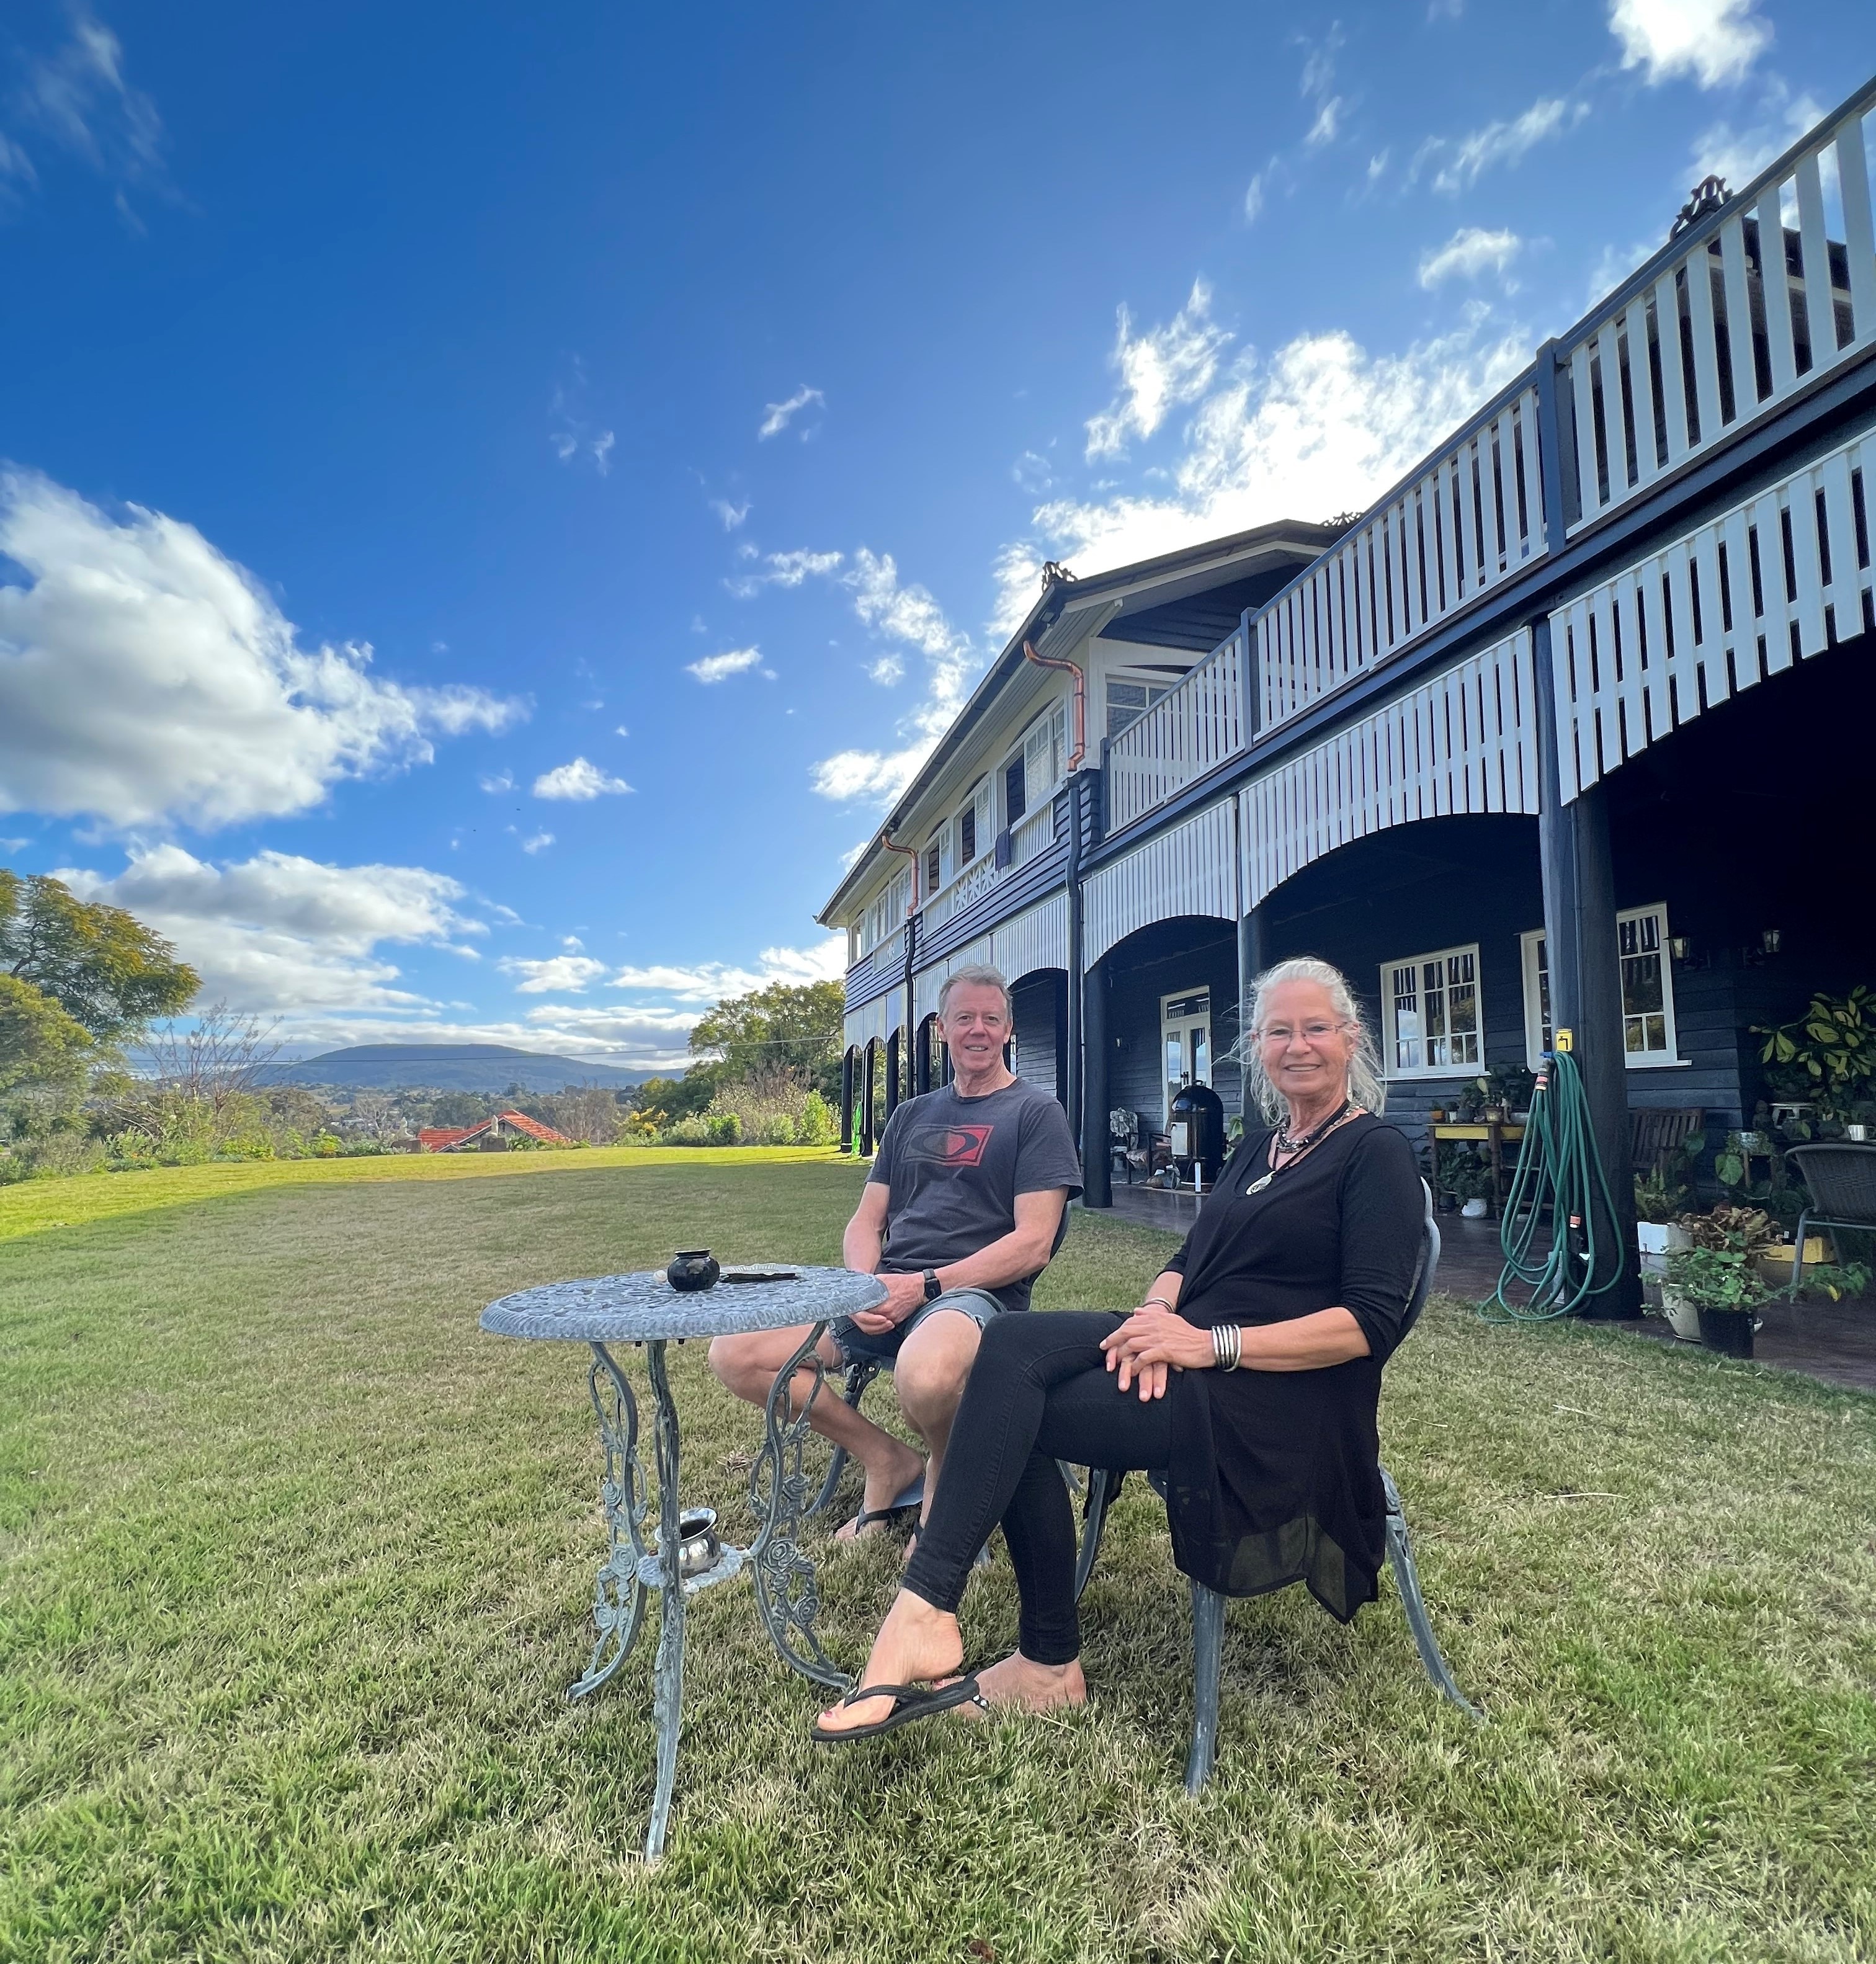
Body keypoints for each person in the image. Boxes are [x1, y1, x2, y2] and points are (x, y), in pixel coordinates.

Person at [812, 956, 1425, 1741]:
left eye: (1315, 1029)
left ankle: (992, 1637)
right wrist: (1154, 1312)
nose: (1297, 1045)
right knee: (1006, 1345)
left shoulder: (1374, 1152)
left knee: (1015, 1405)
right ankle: (988, 1636)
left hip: (1268, 1395)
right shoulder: (1262, 1146)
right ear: (1259, 1046)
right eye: (1279, 1031)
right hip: (1185, 1342)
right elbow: (1191, 1257)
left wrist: (1210, 1343)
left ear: (1351, 1038)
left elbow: (1367, 1323)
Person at [708, 964, 1082, 1544]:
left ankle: (943, 1480)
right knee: (737, 1353)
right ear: (941, 1029)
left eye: (990, 1018)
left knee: (926, 1376)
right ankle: (885, 1460)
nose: (977, 1030)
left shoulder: (1036, 1115)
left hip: (969, 1299)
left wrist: (925, 1286)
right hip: (882, 1296)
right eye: (964, 1018)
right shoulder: (910, 1115)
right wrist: (865, 1287)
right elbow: (867, 1220)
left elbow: (1033, 1243)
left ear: (1009, 1030)